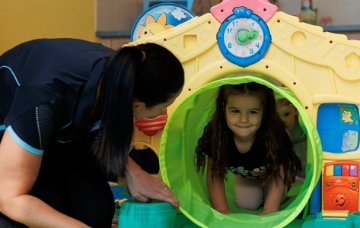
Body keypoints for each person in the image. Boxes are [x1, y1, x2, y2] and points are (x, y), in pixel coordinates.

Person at [0, 38, 184, 227]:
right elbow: (10, 200)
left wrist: (131, 170)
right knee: (18, 221)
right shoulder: (42, 103)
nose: (162, 113)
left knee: (96, 212)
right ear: (137, 105)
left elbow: (103, 131)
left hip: (59, 135)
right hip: (11, 136)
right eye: (164, 106)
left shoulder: (124, 76)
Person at [195, 82, 301, 215]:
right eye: (235, 111)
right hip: (246, 176)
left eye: (253, 112)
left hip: (273, 173)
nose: (243, 119)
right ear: (223, 108)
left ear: (264, 112)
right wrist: (221, 210)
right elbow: (214, 173)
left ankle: (287, 184)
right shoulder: (217, 134)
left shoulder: (275, 134)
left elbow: (279, 170)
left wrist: (270, 208)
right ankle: (259, 192)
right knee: (247, 204)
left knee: (275, 202)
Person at [276, 98, 307, 180]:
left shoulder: (304, 125)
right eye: (277, 117)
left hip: (310, 171)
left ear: (296, 111)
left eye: (286, 114)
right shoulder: (276, 133)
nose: (283, 121)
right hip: (294, 175)